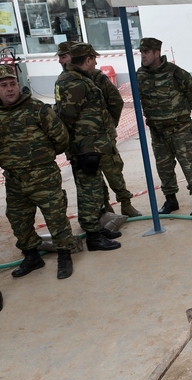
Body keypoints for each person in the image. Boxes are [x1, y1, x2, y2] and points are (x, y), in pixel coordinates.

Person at [0, 64, 76, 278]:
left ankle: (64, 255)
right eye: (4, 85)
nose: (9, 89)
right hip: (15, 179)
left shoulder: (37, 109)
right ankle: (32, 256)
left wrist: (42, 158)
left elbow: (61, 138)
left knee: (56, 217)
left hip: (44, 176)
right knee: (18, 220)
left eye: (12, 84)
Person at [55, 41, 142, 218]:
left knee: (114, 172)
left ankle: (125, 204)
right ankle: (105, 210)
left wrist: (109, 125)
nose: (61, 61)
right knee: (92, 178)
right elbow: (65, 114)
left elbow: (115, 101)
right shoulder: (67, 81)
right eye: (60, 57)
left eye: (64, 56)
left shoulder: (94, 77)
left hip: (102, 139)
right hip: (82, 144)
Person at [54, 43, 122, 251]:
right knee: (89, 192)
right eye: (94, 59)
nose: (96, 63)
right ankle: (93, 234)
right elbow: (66, 117)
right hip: (84, 148)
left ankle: (97, 228)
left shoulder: (79, 79)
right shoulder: (74, 82)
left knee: (95, 188)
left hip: (92, 146)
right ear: (88, 60)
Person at [136, 38, 192, 216]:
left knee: (188, 165)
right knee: (164, 168)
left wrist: (181, 113)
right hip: (157, 131)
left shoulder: (176, 73)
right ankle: (171, 200)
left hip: (179, 130)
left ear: (157, 53)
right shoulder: (140, 75)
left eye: (146, 52)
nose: (143, 55)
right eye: (141, 52)